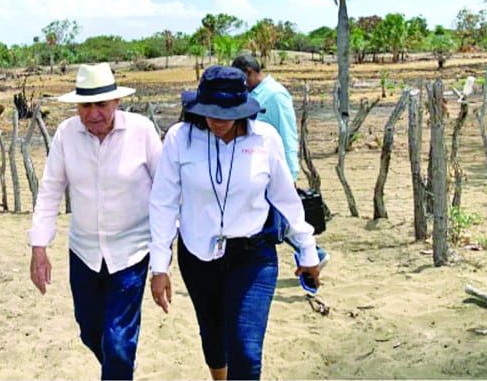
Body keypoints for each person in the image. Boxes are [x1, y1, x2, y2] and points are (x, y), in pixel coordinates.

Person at [149, 65, 320, 380]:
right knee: (213, 335)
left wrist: (307, 251)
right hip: (197, 254)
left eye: (227, 113)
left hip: (252, 256)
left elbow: (286, 198)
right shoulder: (180, 138)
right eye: (211, 112)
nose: (217, 121)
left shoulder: (265, 139)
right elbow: (163, 202)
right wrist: (159, 266)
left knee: (245, 349)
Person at [29, 62, 162, 380]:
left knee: (117, 342)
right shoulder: (66, 134)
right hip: (84, 252)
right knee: (90, 332)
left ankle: (119, 367)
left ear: (116, 101)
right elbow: (50, 190)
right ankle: (120, 369)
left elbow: (166, 191)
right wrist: (38, 247)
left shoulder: (141, 131)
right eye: (85, 105)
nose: (92, 113)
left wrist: (163, 255)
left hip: (131, 252)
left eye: (100, 104)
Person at [231, 54, 329, 269]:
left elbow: (288, 135)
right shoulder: (253, 95)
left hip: (274, 170)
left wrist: (290, 174)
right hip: (255, 168)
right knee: (273, 217)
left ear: (248, 73)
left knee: (280, 217)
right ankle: (313, 253)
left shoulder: (274, 95)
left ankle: (315, 253)